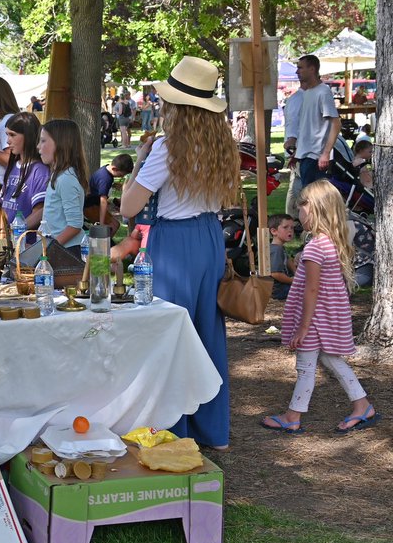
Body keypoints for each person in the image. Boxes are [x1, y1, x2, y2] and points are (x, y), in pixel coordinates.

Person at [118, 56, 238, 450]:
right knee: (207, 332)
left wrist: (137, 164)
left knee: (169, 334)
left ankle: (173, 430)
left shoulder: (170, 147)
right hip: (209, 238)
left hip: (175, 243)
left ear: (175, 106)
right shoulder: (222, 144)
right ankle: (212, 430)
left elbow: (128, 208)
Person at [261, 181, 377, 435]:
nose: (298, 213)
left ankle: (293, 416)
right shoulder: (330, 242)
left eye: (301, 207)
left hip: (315, 319)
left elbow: (311, 290)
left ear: (314, 210)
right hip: (326, 315)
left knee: (305, 365)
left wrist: (303, 327)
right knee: (330, 359)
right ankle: (362, 405)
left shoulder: (316, 246)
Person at [285, 54, 341, 188]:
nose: (297, 71)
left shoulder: (323, 92)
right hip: (305, 156)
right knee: (308, 201)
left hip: (316, 157)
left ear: (312, 69)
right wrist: (298, 152)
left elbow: (336, 123)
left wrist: (326, 153)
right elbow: (307, 127)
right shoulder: (309, 92)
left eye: (300, 68)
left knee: (314, 202)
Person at [37, 119, 88, 250]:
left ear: (60, 144)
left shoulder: (66, 179)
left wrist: (50, 249)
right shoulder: (58, 175)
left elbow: (75, 225)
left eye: (43, 141)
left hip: (67, 251)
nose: (38, 146)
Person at [0, 113, 49, 233]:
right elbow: (3, 206)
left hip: (27, 244)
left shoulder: (39, 171)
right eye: (7, 135)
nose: (8, 141)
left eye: (12, 135)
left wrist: (15, 231)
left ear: (28, 136)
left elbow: (40, 211)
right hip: (8, 242)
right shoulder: (12, 167)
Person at [83, 153, 134, 235]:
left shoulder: (105, 170)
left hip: (94, 204)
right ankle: (102, 244)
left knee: (116, 225)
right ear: (114, 168)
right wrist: (102, 223)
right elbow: (103, 201)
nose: (121, 177)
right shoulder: (105, 179)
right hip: (91, 207)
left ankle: (106, 244)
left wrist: (113, 185)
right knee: (113, 226)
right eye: (120, 175)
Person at [268, 213, 296, 301]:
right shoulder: (276, 250)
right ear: (274, 231)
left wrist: (297, 274)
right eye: (285, 227)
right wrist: (293, 281)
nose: (290, 230)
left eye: (292, 228)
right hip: (279, 290)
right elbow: (275, 273)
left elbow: (287, 260)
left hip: (283, 286)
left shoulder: (279, 247)